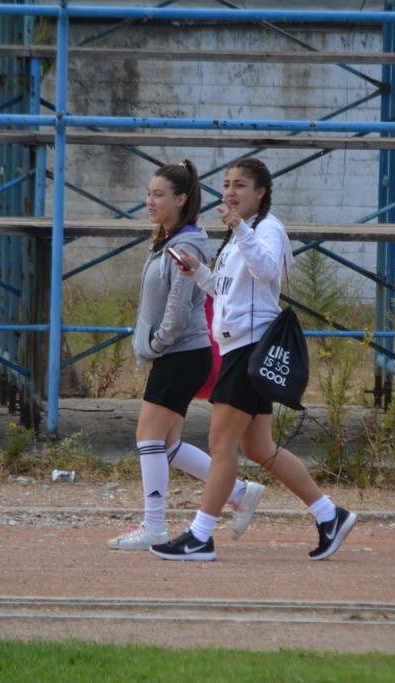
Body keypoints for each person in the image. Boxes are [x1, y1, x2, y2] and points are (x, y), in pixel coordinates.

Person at [150, 157, 357, 562]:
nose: (230, 192)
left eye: (240, 185)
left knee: (221, 443)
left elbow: (266, 271)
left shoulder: (267, 228)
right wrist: (198, 272)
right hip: (239, 347)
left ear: (260, 192)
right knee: (259, 446)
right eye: (227, 184)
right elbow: (227, 291)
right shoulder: (239, 235)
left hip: (250, 347)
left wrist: (240, 229)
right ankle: (329, 515)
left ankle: (200, 536)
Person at [107, 159, 265, 551]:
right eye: (148, 194)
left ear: (181, 199)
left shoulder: (186, 243)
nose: (150, 201)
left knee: (148, 438)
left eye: (158, 194)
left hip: (180, 352)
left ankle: (154, 527)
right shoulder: (172, 238)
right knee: (168, 444)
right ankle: (239, 491)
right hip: (180, 353)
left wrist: (156, 344)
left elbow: (178, 309)